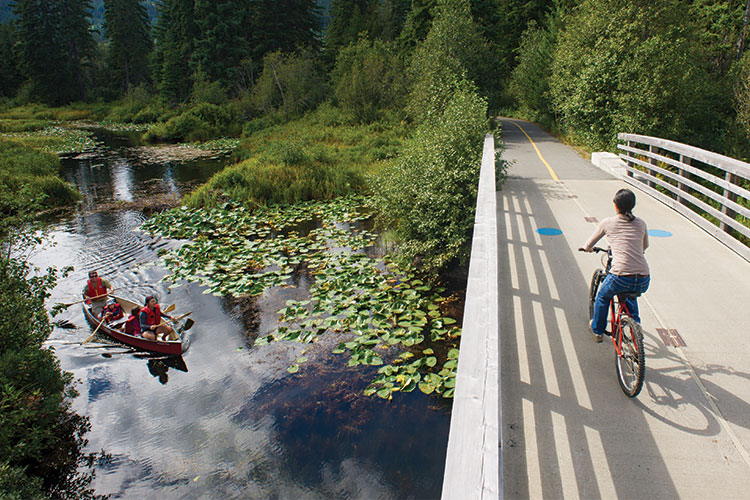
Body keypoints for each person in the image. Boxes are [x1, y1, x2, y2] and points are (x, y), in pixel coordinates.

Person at [582, 188, 650, 343]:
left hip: (620, 276)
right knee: (629, 294)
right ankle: (636, 325)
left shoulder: (608, 222)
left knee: (603, 297)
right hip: (643, 278)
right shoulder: (641, 223)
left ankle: (598, 331)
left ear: (616, 205)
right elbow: (644, 247)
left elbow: (589, 244)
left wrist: (587, 248)